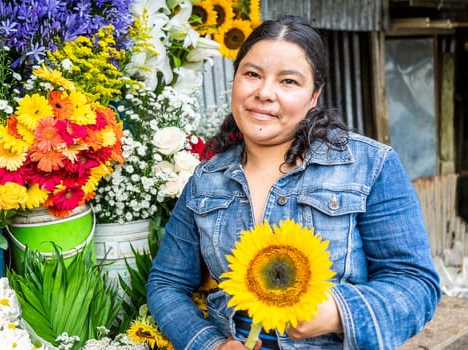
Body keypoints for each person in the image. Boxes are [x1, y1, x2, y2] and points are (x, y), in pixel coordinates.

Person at [146, 15, 441, 350]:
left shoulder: (370, 166)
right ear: (236, 80)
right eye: (252, 74)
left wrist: (337, 313)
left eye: (288, 81)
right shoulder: (206, 180)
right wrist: (209, 343)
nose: (264, 93)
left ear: (314, 96)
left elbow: (416, 285)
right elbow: (166, 282)